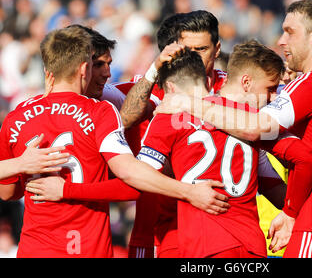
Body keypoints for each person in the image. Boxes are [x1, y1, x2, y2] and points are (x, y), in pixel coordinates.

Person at [155, 0, 312, 258]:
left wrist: (186, 103)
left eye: (289, 32)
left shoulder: (309, 85)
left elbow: (257, 129)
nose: (281, 40)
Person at [0, 25, 229, 257]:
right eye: (97, 64)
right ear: (84, 68)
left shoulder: (15, 117)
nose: (107, 73)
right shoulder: (101, 111)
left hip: (34, 249)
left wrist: (21, 165)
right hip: (88, 249)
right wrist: (189, 192)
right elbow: (131, 182)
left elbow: (7, 192)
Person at [139, 46, 312, 258]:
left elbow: (136, 177)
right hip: (252, 246)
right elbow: (303, 160)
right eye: (270, 89)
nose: (272, 98)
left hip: (204, 244)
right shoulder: (255, 123)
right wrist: (292, 212)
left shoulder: (172, 112)